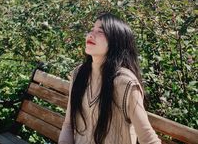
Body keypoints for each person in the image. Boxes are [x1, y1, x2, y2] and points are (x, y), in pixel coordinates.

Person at [58, 13, 161, 144]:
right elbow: (68, 125)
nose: (90, 35)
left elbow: (148, 139)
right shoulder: (79, 74)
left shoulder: (125, 83)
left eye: (100, 31)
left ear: (115, 41)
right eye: (92, 29)